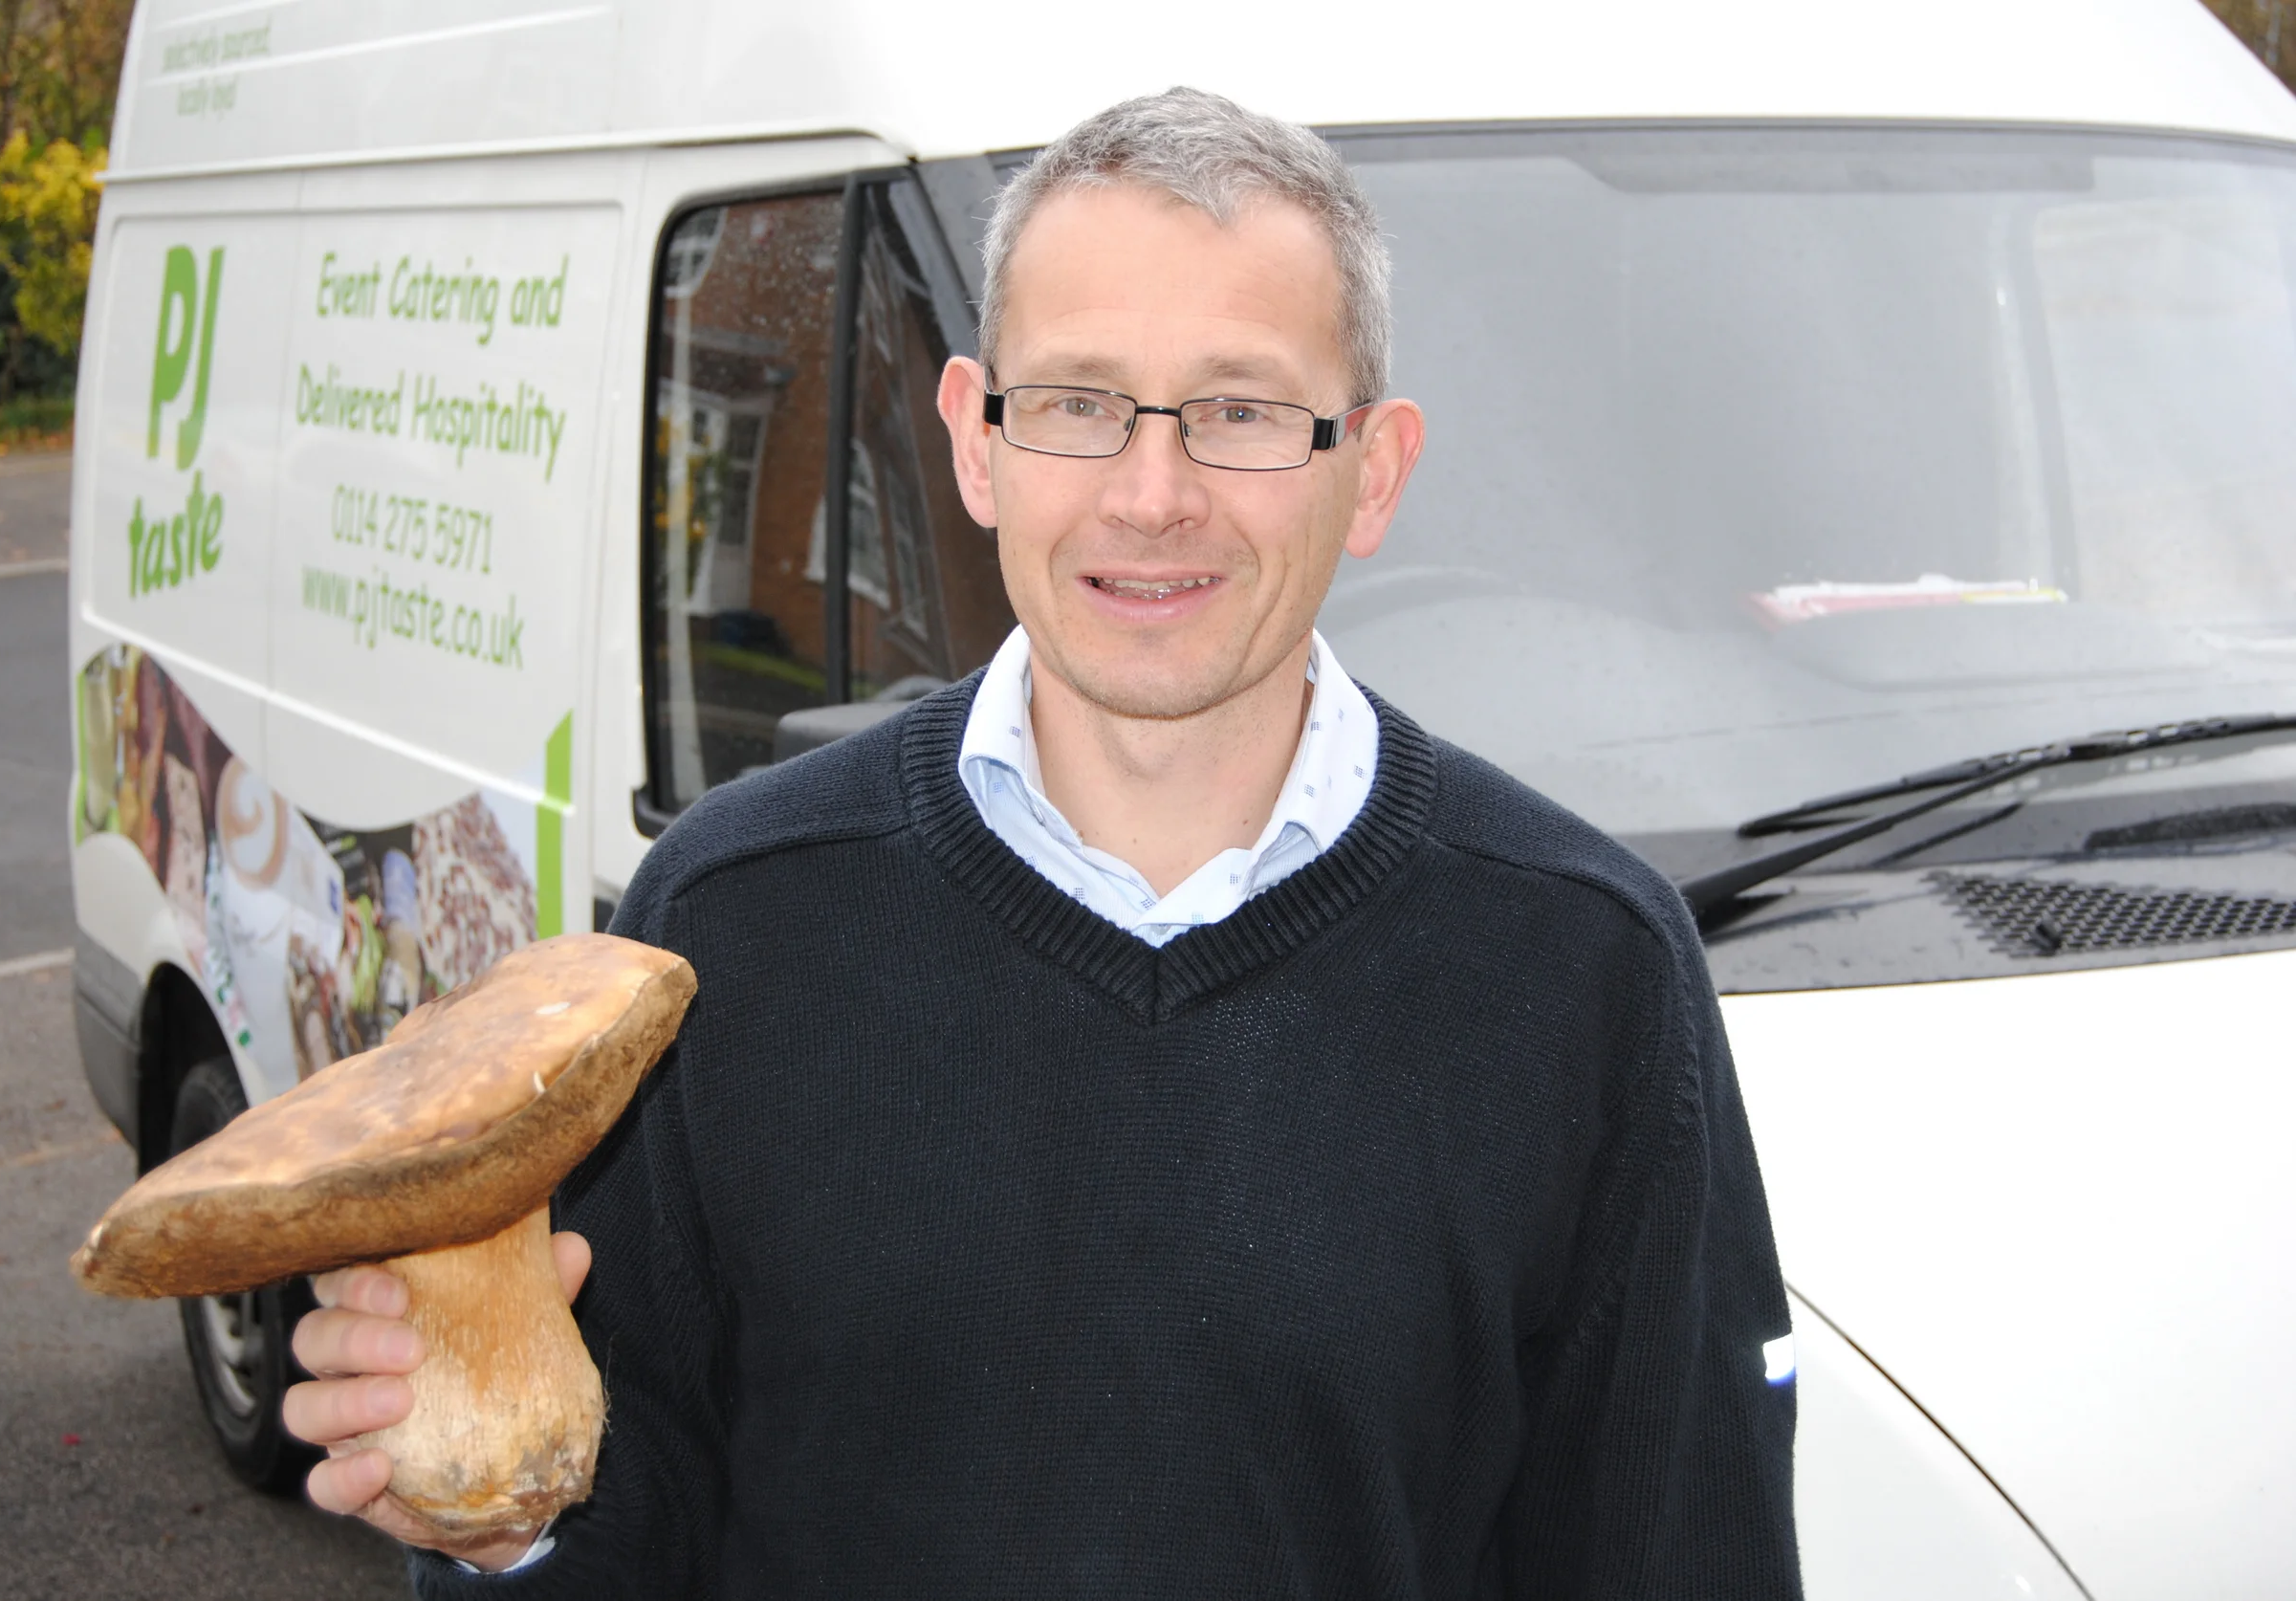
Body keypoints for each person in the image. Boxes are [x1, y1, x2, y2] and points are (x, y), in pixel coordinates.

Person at [288, 87, 1802, 1598]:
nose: (1152, 496)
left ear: (1376, 469)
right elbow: (623, 1539)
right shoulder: (728, 923)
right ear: (977, 441)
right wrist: (504, 1527)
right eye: (1079, 402)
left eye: (1242, 412)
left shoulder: (1585, 967)